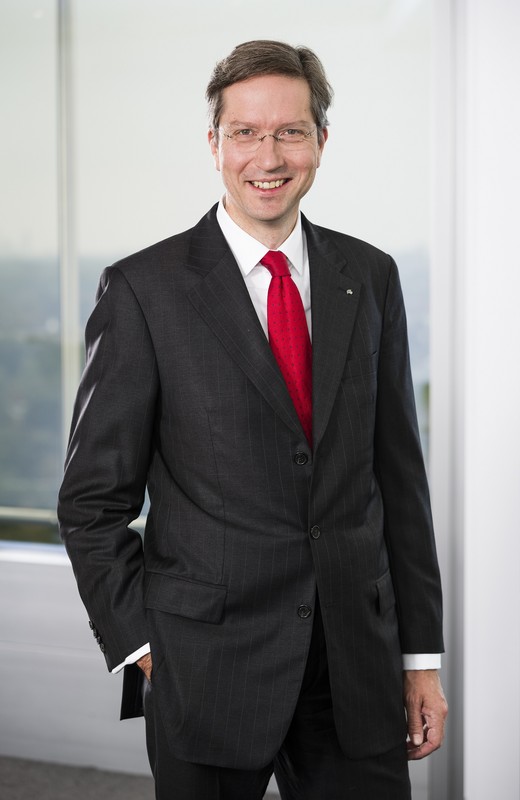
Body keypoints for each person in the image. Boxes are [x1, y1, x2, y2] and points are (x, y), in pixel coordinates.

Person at [58, 40, 447, 800]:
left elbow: (399, 481)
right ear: (214, 144)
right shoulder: (144, 291)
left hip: (355, 667)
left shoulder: (370, 276)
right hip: (206, 664)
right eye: (245, 132)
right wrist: (145, 646)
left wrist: (419, 660)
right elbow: (91, 501)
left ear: (321, 141)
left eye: (290, 132)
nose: (267, 157)